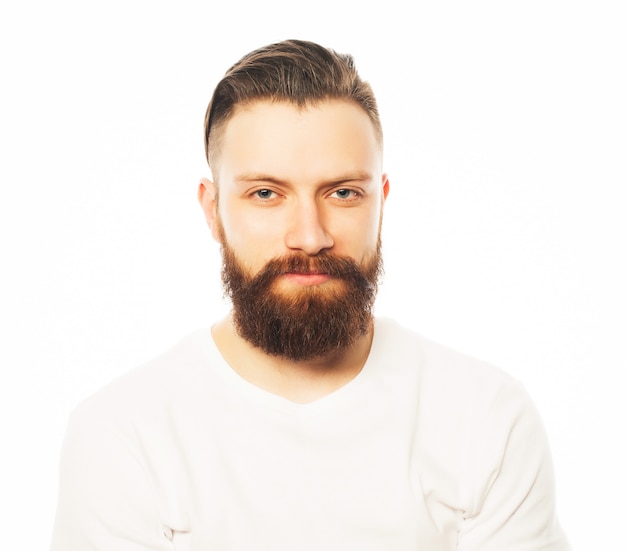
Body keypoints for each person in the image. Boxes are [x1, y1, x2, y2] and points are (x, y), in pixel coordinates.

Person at [50, 39, 569, 550]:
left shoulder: (485, 419)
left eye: (343, 193)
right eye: (266, 194)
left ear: (380, 202)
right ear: (212, 211)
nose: (310, 235)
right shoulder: (122, 436)